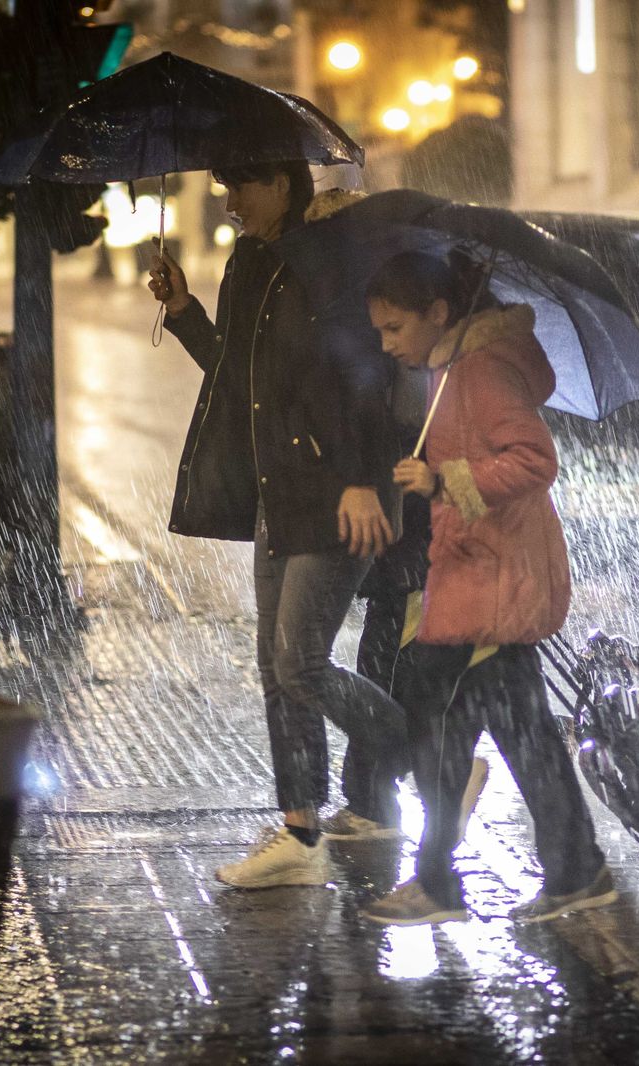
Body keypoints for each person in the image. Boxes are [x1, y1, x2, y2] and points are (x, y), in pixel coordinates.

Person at [147, 160, 411, 890]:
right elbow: (240, 377)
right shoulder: (252, 263)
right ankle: (301, 832)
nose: (230, 203)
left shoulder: (328, 258)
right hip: (280, 495)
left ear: (284, 184)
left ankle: (423, 750)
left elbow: (364, 371)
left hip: (339, 493)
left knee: (301, 662)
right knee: (277, 669)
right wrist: (183, 310)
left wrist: (361, 478)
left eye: (243, 186)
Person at [357, 249, 615, 926]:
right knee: (518, 738)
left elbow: (535, 459)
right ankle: (575, 871)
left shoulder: (479, 371)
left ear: (438, 313)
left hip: (492, 580)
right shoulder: (452, 372)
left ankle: (443, 884)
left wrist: (446, 480)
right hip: (481, 574)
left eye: (393, 329)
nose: (386, 345)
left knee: (436, 724)